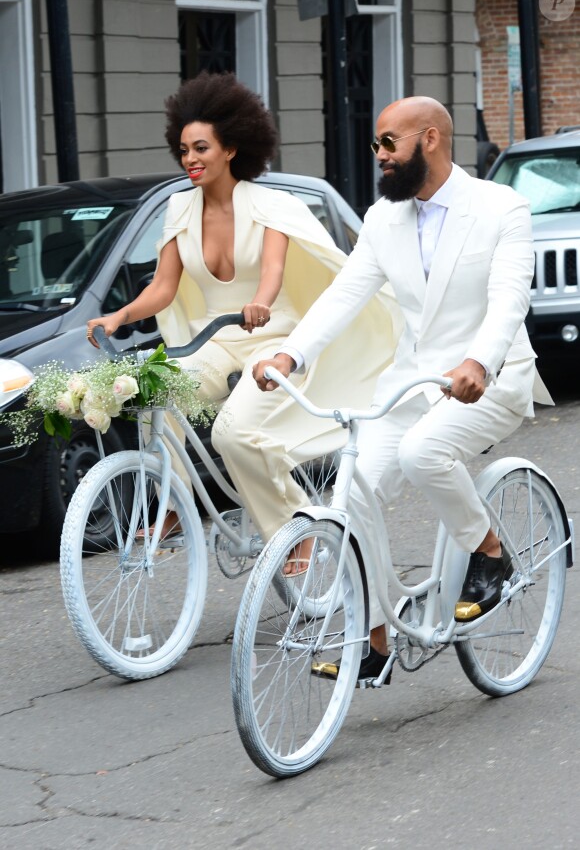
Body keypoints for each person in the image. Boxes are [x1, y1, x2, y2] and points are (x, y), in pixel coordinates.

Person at [252, 95, 553, 683]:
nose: (379, 156)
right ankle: (377, 637)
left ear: (431, 139)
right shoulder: (383, 218)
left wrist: (480, 361)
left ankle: (488, 549)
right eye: (376, 145)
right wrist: (292, 353)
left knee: (423, 454)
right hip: (413, 383)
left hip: (490, 379)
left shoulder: (501, 207)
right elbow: (345, 295)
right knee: (353, 484)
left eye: (389, 143)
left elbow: (509, 297)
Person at [86, 71, 401, 544]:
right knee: (156, 388)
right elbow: (164, 287)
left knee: (232, 434)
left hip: (276, 340)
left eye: (201, 148)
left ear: (231, 148)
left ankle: (298, 528)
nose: (189, 159)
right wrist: (119, 315)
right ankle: (175, 504)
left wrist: (261, 302)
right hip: (215, 341)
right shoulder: (179, 209)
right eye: (185, 149)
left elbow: (273, 270)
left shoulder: (269, 204)